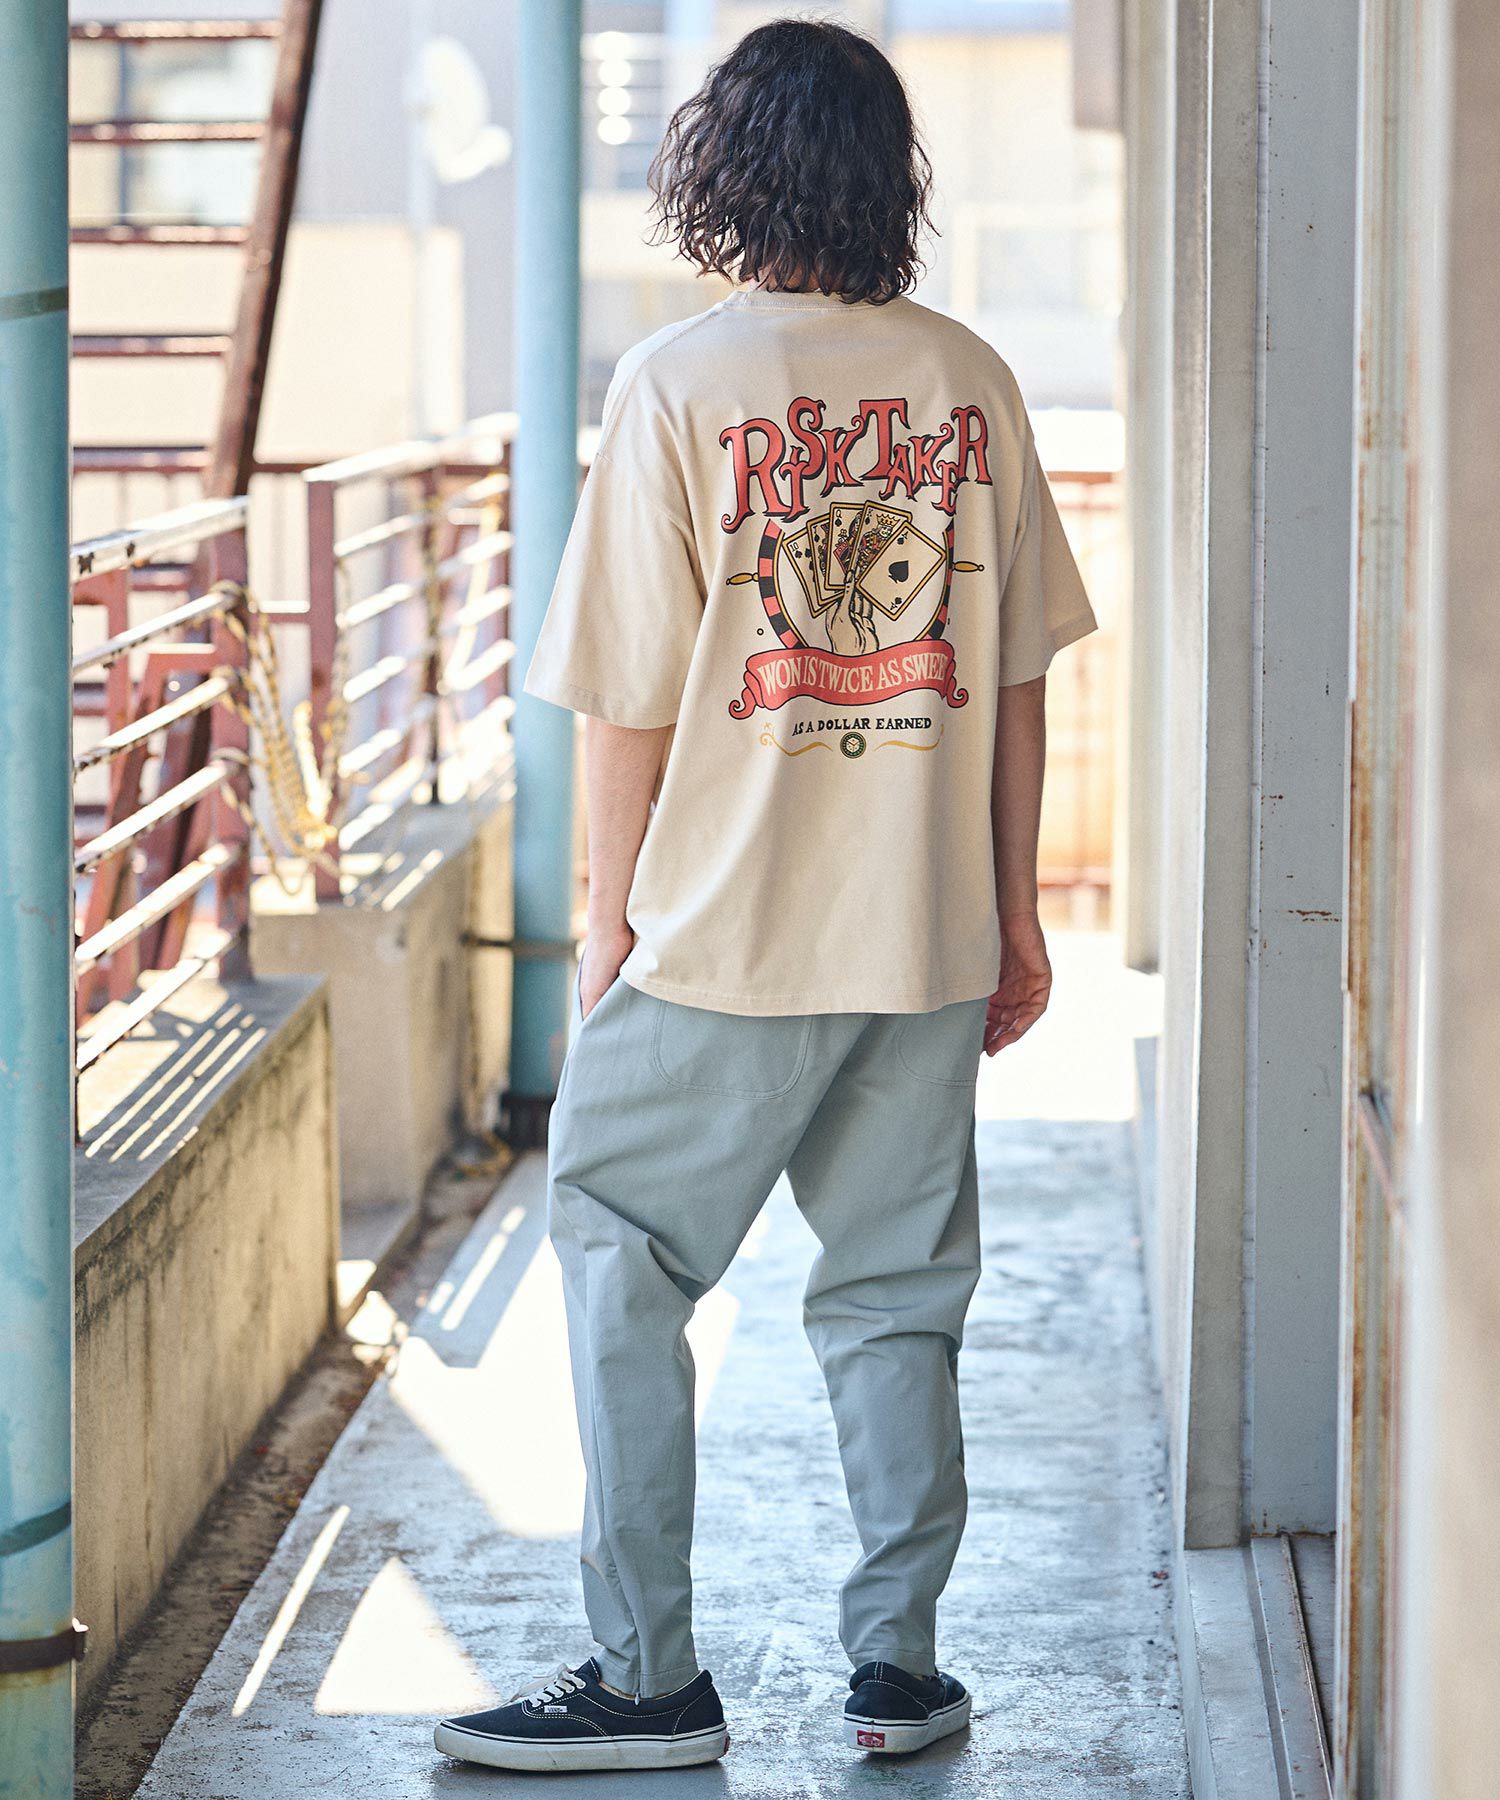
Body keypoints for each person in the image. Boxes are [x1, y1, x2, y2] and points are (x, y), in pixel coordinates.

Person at [435, 17, 1095, 1775]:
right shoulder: (970, 378)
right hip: (921, 936)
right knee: (894, 1299)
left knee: (619, 1261)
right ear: (889, 178)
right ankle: (898, 1674)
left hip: (719, 941)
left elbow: (627, 701)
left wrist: (604, 933)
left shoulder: (678, 383)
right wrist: (1015, 912)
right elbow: (1017, 678)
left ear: (722, 176)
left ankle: (649, 1681)